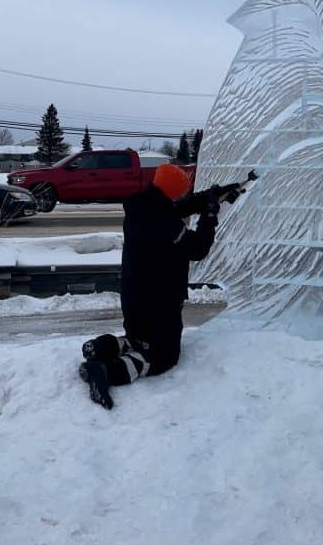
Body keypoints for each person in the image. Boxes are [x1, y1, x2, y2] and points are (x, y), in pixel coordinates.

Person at [79, 163, 220, 410]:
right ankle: (106, 371)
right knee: (163, 355)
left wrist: (208, 197)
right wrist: (209, 217)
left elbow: (175, 207)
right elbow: (198, 248)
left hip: (135, 294)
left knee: (138, 339)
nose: (183, 197)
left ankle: (100, 347)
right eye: (182, 192)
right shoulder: (165, 223)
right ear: (173, 191)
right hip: (159, 300)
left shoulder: (140, 207)